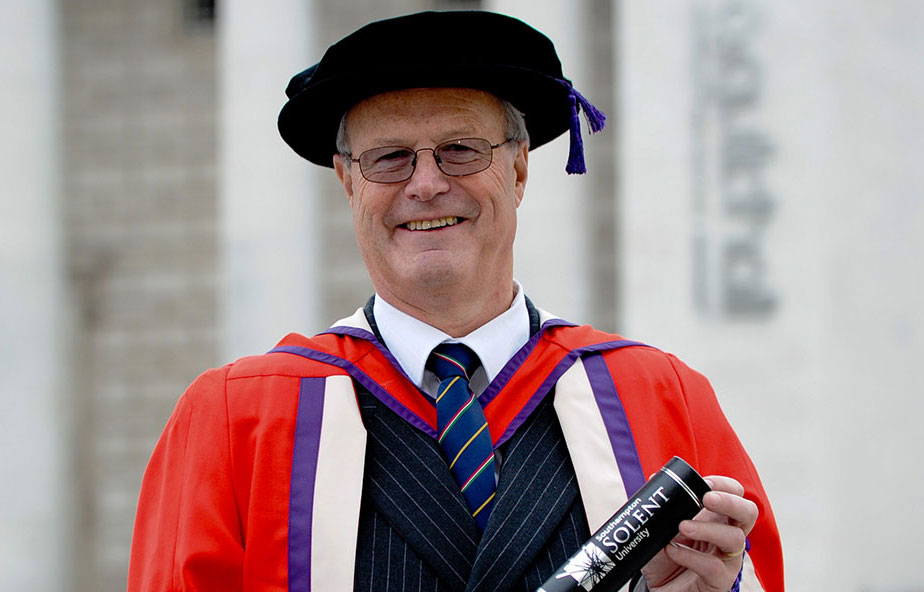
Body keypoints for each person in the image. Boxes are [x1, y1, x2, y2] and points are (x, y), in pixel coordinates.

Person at [127, 11, 783, 592]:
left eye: (461, 151)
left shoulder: (661, 398)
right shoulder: (237, 419)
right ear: (347, 180)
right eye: (389, 159)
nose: (427, 184)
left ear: (519, 169)